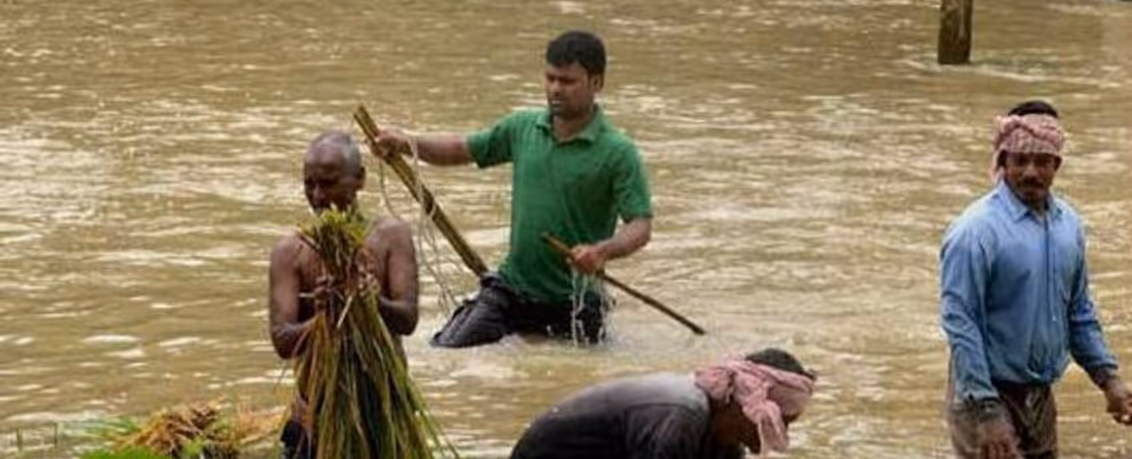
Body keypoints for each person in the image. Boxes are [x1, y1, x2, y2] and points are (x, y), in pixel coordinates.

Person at [374, 30, 653, 347]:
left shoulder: (617, 152)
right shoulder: (523, 128)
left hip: (575, 301)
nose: (555, 89)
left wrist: (601, 252)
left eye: (567, 81)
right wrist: (407, 143)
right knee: (446, 350)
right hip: (513, 289)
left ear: (596, 83)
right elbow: (460, 149)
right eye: (550, 78)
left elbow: (640, 226)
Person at [939, 100, 1132, 459]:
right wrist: (988, 412)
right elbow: (961, 323)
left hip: (1039, 394)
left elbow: (1078, 313)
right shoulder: (975, 232)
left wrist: (1110, 382)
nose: (1031, 173)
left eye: (1042, 162)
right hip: (984, 395)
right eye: (1020, 161)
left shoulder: (1069, 225)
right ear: (1003, 163)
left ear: (1057, 165)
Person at [268, 131, 420, 459]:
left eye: (329, 183)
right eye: (309, 184)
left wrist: (371, 301)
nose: (319, 196)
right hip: (317, 412)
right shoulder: (291, 251)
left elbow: (407, 319)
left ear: (360, 180)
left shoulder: (391, 236)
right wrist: (325, 317)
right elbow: (281, 340)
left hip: (384, 409)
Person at [509, 348, 817, 458]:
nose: (777, 434)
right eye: (777, 421)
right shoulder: (682, 415)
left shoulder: (722, 441)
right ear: (746, 403)